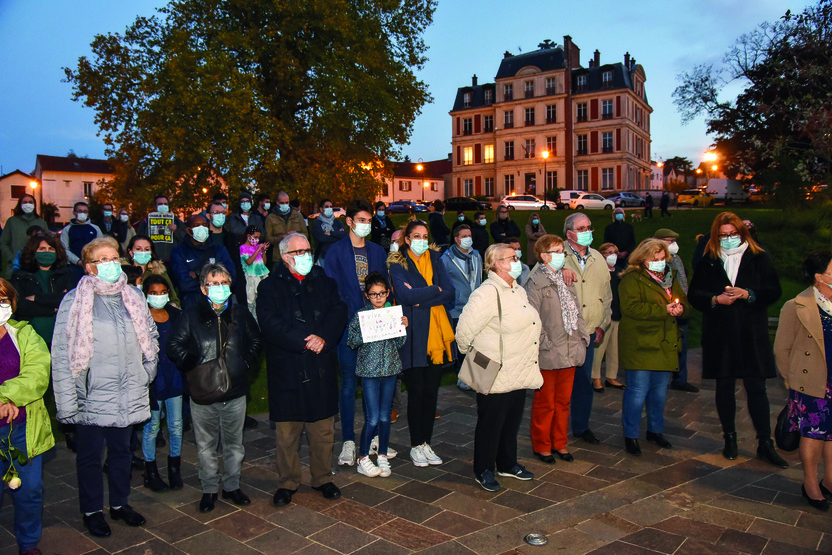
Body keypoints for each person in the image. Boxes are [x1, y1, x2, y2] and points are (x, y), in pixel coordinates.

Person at [52, 237, 158, 537]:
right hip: (92, 393)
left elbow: (150, 335)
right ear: (89, 267)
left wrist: (146, 371)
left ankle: (120, 504)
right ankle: (92, 510)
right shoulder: (75, 300)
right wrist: (67, 401)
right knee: (90, 457)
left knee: (122, 452)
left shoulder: (134, 296)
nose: (111, 263)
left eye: (114, 257)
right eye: (103, 259)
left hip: (128, 391)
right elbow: (61, 351)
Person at [688, 212, 787, 468]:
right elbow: (695, 293)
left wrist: (749, 293)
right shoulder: (709, 259)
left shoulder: (759, 256)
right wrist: (714, 299)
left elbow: (774, 290)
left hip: (751, 332)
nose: (728, 239)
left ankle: (765, 442)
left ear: (742, 233)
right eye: (723, 235)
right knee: (725, 387)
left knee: (757, 388)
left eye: (733, 234)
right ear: (716, 236)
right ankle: (729, 437)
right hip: (721, 333)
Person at [257, 233, 347, 506]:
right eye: (299, 252)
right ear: (285, 257)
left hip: (320, 365)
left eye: (308, 250)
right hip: (288, 366)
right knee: (287, 433)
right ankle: (287, 482)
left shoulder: (325, 282)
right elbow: (269, 322)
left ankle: (322, 477)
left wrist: (322, 337)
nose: (306, 255)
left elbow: (338, 311)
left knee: (323, 430)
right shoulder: (269, 287)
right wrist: (302, 342)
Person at [167, 262, 262, 512]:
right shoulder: (190, 315)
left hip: (234, 391)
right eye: (213, 283)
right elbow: (174, 345)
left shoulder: (240, 313)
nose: (220, 288)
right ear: (203, 288)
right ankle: (209, 489)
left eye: (224, 283)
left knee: (234, 444)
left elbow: (255, 341)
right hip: (203, 393)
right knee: (206, 446)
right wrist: (195, 365)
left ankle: (232, 486)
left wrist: (243, 364)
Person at [456, 243, 541, 491]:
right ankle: (483, 469)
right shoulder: (486, 293)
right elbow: (463, 334)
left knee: (511, 421)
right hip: (493, 371)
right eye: (512, 257)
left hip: (518, 367)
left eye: (517, 256)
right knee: (490, 424)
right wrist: (480, 359)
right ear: (497, 264)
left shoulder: (516, 289)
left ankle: (507, 463)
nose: (518, 261)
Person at [325, 200, 389, 467]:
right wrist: (350, 320)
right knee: (350, 383)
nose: (366, 224)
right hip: (348, 328)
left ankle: (373, 436)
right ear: (349, 221)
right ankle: (349, 441)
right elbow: (332, 291)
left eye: (369, 220)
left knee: (374, 382)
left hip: (376, 327)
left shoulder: (376, 251)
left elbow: (385, 287)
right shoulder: (336, 252)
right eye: (361, 219)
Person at [388, 220, 455, 467]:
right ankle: (416, 444)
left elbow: (450, 292)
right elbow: (405, 296)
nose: (421, 240)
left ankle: (427, 443)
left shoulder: (436, 258)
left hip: (436, 335)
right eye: (416, 236)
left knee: (431, 393)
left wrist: (424, 296)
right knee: (416, 392)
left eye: (425, 236)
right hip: (414, 334)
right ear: (407, 239)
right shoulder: (398, 262)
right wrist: (434, 290)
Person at [618, 239, 690, 456]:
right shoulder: (632, 279)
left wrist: (680, 310)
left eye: (662, 259)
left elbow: (686, 304)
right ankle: (630, 435)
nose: (659, 263)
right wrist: (664, 310)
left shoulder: (670, 277)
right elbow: (631, 308)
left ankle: (655, 430)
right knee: (637, 391)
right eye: (654, 259)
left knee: (659, 392)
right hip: (641, 343)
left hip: (665, 342)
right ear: (642, 259)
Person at [0, 278, 55, 555]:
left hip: (23, 427)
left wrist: (6, 397)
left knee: (30, 490)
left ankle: (28, 543)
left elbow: (37, 374)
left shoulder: (24, 334)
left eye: (3, 300)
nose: (0, 306)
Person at [774, 250, 832, 511]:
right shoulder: (796, 306)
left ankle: (830, 481)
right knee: (814, 434)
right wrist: (793, 382)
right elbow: (781, 349)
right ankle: (810, 483)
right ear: (820, 277)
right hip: (810, 383)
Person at [524, 235, 589, 464]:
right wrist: (544, 344)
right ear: (544, 255)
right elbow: (532, 318)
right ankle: (542, 445)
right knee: (545, 403)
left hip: (570, 350)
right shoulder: (536, 282)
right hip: (549, 352)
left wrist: (583, 338)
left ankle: (559, 442)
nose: (562, 255)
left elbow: (577, 312)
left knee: (563, 402)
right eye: (557, 251)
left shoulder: (565, 279)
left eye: (563, 250)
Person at [347, 272, 407, 477]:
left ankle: (382, 453)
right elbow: (351, 341)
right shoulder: (361, 316)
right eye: (373, 294)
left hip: (390, 370)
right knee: (372, 418)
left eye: (382, 293)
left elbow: (400, 343)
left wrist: (402, 327)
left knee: (384, 416)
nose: (378, 298)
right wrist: (367, 330)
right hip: (369, 373)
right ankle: (363, 457)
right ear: (367, 296)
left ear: (388, 293)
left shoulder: (392, 314)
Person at [563, 213, 612, 445]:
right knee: (560, 385)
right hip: (564, 333)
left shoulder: (598, 258)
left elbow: (607, 296)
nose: (587, 231)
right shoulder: (556, 256)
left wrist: (602, 324)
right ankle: (555, 431)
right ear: (569, 233)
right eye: (582, 228)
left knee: (584, 382)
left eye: (589, 227)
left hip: (590, 331)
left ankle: (581, 426)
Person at [140, 275, 183, 492]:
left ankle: (175, 467)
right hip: (152, 380)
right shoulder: (140, 318)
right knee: (152, 427)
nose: (159, 297)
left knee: (176, 425)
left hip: (173, 376)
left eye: (163, 292)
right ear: (146, 294)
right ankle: (151, 471)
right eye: (154, 293)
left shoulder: (176, 315)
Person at [11, 234, 79, 346]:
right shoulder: (20, 275)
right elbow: (20, 306)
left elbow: (69, 300)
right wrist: (52, 309)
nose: (47, 252)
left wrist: (37, 298)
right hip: (29, 336)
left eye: (51, 249)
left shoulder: (66, 273)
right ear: (33, 252)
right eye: (42, 249)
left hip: (60, 336)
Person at [653, 229, 698, 393]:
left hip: (681, 307)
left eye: (674, 240)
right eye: (669, 241)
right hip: (664, 310)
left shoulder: (676, 259)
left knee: (681, 345)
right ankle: (660, 378)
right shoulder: (654, 261)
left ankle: (680, 379)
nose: (673, 244)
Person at [441, 224, 483, 391]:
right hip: (457, 309)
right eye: (464, 235)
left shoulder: (476, 256)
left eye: (470, 235)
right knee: (462, 345)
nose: (468, 238)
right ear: (457, 239)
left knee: (477, 344)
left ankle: (477, 375)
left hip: (476, 308)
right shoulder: (447, 259)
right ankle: (462, 376)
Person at [170, 215, 236, 309]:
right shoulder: (178, 252)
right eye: (197, 225)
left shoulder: (219, 250)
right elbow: (184, 284)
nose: (201, 228)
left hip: (220, 304)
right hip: (192, 305)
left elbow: (231, 278)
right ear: (188, 230)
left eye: (204, 225)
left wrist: (198, 275)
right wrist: (216, 283)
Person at [591, 243, 625, 392]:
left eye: (615, 252)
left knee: (615, 348)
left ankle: (611, 375)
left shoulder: (620, 272)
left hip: (618, 313)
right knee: (600, 348)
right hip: (605, 315)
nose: (613, 255)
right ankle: (595, 376)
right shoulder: (599, 272)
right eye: (609, 252)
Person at [124, 235, 180, 307]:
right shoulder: (123, 271)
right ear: (131, 252)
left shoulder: (159, 271)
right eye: (138, 249)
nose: (143, 252)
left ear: (151, 252)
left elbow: (173, 299)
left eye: (147, 249)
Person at [1, 195, 48, 279]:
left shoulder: (41, 222)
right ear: (20, 204)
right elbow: (3, 242)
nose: (28, 204)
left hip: (37, 266)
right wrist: (11, 258)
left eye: (30, 202)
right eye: (25, 202)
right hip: (16, 267)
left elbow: (48, 242)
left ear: (34, 205)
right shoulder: (12, 221)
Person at [136, 195, 187, 263]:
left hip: (172, 260)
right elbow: (138, 239)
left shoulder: (176, 221)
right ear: (155, 207)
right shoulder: (146, 222)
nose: (163, 206)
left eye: (165, 204)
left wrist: (176, 231)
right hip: (153, 260)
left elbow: (186, 239)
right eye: (160, 204)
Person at [60, 202, 103, 270]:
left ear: (88, 213)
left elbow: (101, 246)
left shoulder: (95, 228)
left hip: (93, 265)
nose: (82, 213)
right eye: (79, 211)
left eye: (85, 211)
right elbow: (65, 249)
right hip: (74, 266)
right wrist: (78, 262)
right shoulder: (67, 229)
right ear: (74, 212)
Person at [240, 225, 269, 321]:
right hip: (251, 277)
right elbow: (248, 262)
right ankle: (252, 320)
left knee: (262, 298)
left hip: (262, 275)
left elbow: (264, 263)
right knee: (251, 300)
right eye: (255, 237)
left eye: (258, 238)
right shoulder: (243, 248)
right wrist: (258, 250)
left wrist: (263, 251)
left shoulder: (257, 247)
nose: (257, 240)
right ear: (249, 236)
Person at [311, 199, 347, 268]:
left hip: (338, 256)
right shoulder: (317, 223)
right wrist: (337, 237)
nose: (329, 208)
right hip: (323, 256)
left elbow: (344, 235)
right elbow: (322, 238)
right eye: (327, 207)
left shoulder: (338, 222)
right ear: (321, 209)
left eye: (331, 206)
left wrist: (331, 233)